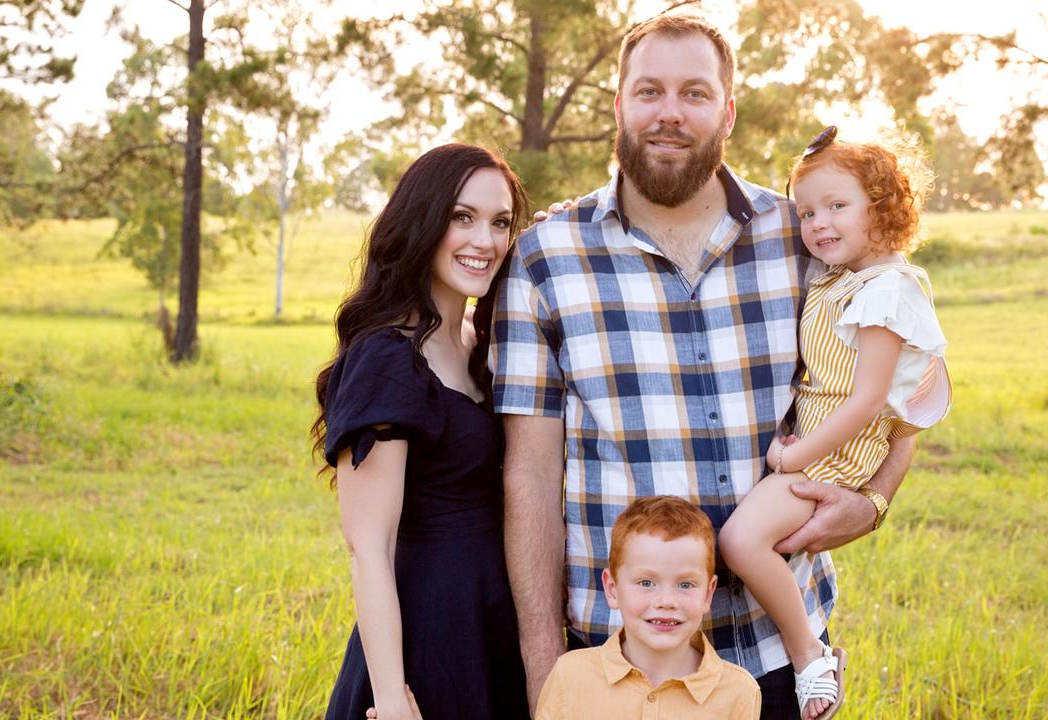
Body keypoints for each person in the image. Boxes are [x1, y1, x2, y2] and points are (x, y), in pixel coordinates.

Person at [491, 13, 917, 719]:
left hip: (781, 649)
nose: (669, 113)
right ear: (618, 103)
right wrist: (546, 676)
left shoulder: (806, 235)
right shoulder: (546, 258)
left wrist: (875, 499)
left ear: (727, 111)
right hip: (615, 665)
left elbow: (915, 377)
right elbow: (530, 476)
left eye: (694, 93)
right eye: (649, 90)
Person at [719, 127, 951, 720]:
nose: (819, 223)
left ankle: (809, 657)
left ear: (883, 207)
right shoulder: (839, 276)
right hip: (821, 434)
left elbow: (870, 399)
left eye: (837, 206)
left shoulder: (887, 291)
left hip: (838, 452)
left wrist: (797, 458)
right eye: (807, 212)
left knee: (741, 541)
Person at [312, 143, 530, 720]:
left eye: (500, 222)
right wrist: (390, 696)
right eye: (463, 218)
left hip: (494, 620)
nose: (484, 240)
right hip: (429, 630)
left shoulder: (481, 345)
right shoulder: (387, 358)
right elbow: (369, 548)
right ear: (423, 221)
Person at [535, 496, 761, 719]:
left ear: (708, 594)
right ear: (612, 588)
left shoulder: (737, 692)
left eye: (685, 584)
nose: (666, 601)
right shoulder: (571, 676)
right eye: (646, 583)